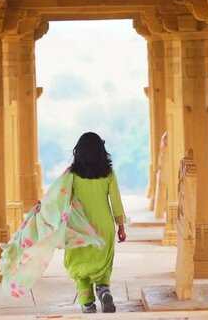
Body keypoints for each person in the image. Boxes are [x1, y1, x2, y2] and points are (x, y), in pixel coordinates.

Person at [64, 132, 126, 313]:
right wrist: (121, 226)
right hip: (103, 225)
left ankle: (87, 302)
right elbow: (116, 201)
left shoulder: (72, 174)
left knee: (79, 264)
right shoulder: (108, 173)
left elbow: (62, 199)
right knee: (103, 262)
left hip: (79, 226)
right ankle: (103, 289)